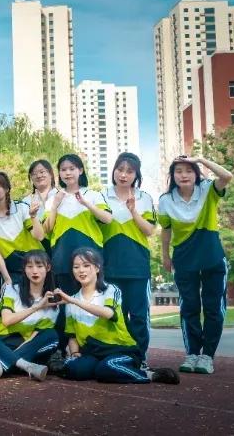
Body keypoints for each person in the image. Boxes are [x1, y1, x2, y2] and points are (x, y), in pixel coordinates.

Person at [158, 155, 234, 375]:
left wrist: (200, 159)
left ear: (197, 173)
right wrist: (165, 255)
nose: (184, 175)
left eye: (189, 170)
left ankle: (207, 356)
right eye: (179, 171)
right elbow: (166, 230)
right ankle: (192, 353)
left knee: (213, 308)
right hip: (184, 259)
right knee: (189, 307)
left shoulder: (208, 190)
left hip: (212, 258)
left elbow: (227, 176)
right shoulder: (166, 200)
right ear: (172, 176)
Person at [59, 248, 180, 385]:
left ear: (97, 268)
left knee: (107, 367)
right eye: (76, 267)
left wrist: (74, 301)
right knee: (74, 369)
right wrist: (75, 353)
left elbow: (109, 313)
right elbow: (72, 335)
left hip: (120, 349)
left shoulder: (110, 290)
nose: (81, 270)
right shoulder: (71, 301)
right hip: (92, 353)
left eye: (86, 265)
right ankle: (104, 370)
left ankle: (149, 374)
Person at [45, 154, 111, 367]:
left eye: (72, 168)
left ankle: (95, 349)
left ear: (80, 170)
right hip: (62, 260)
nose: (68, 173)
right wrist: (55, 205)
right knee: (63, 306)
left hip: (90, 262)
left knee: (92, 302)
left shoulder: (94, 194)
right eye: (63, 169)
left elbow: (107, 219)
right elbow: (46, 230)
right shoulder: (54, 197)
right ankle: (61, 351)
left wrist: (87, 203)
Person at [100, 153, 157, 365]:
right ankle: (120, 354)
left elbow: (149, 230)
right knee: (116, 314)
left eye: (129, 171)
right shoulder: (101, 196)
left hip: (137, 266)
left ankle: (140, 357)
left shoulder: (144, 198)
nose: (123, 175)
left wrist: (133, 211)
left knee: (139, 315)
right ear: (114, 170)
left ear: (136, 175)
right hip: (109, 265)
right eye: (120, 169)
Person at [0, 250, 58, 381]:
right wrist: (37, 307)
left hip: (24, 348)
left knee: (51, 335)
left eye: (39, 266)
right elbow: (7, 320)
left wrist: (11, 356)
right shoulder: (11, 289)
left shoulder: (52, 303)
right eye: (30, 266)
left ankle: (3, 364)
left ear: (48, 268)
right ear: (24, 269)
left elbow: (33, 339)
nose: (34, 271)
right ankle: (25, 366)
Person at [0, 172, 46, 315]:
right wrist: (7, 279)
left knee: (42, 304)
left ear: (7, 188)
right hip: (12, 268)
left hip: (37, 263)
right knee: (15, 308)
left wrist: (33, 216)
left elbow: (39, 236)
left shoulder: (22, 207)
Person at [20, 160, 59, 252]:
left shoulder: (61, 196)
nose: (38, 176)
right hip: (37, 248)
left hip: (59, 243)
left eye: (42, 172)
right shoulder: (25, 201)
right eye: (34, 174)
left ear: (51, 174)